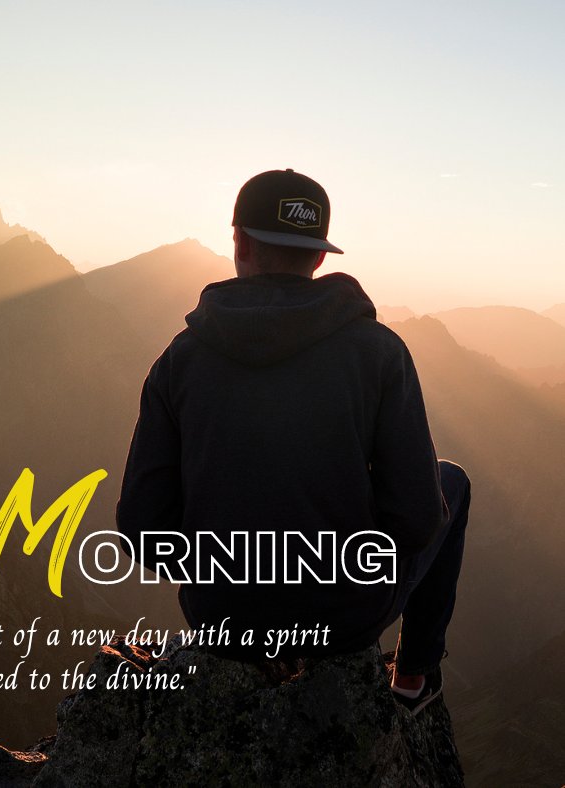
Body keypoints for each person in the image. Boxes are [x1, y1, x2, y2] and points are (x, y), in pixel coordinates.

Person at [115, 168, 470, 716]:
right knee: (453, 482)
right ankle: (412, 679)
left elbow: (142, 526)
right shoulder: (378, 354)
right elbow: (420, 517)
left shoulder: (178, 361)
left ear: (239, 242)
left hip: (221, 618)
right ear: (320, 258)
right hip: (343, 617)